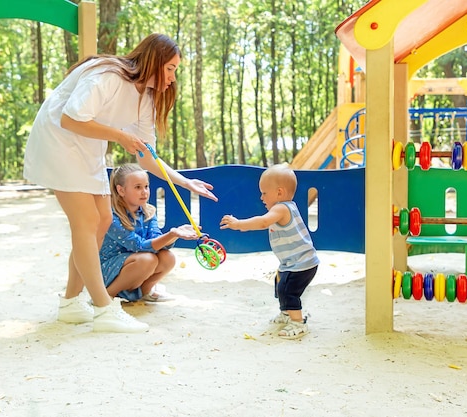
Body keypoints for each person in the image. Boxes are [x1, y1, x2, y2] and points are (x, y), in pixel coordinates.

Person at [23, 33, 217, 333]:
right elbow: (70, 120)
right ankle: (103, 309)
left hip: (87, 148)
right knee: (86, 221)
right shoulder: (109, 76)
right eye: (170, 68)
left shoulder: (146, 98)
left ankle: (71, 303)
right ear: (154, 61)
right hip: (58, 141)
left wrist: (185, 182)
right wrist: (121, 136)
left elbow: (147, 156)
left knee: (102, 220)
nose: (172, 77)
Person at [220, 164, 319, 339]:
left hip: (301, 264)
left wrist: (238, 224)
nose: (261, 197)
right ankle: (287, 313)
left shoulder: (281, 208)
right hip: (292, 263)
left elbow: (263, 222)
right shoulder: (288, 206)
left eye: (264, 193)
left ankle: (298, 322)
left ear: (279, 193)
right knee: (280, 284)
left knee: (288, 290)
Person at [100, 163, 198, 305]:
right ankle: (107, 296)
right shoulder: (112, 216)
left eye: (146, 186)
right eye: (138, 187)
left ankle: (144, 292)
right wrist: (171, 234)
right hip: (108, 270)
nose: (144, 192)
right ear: (121, 190)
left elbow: (155, 239)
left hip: (134, 265)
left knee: (167, 258)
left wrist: (175, 235)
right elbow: (137, 245)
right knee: (147, 259)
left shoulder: (148, 211)